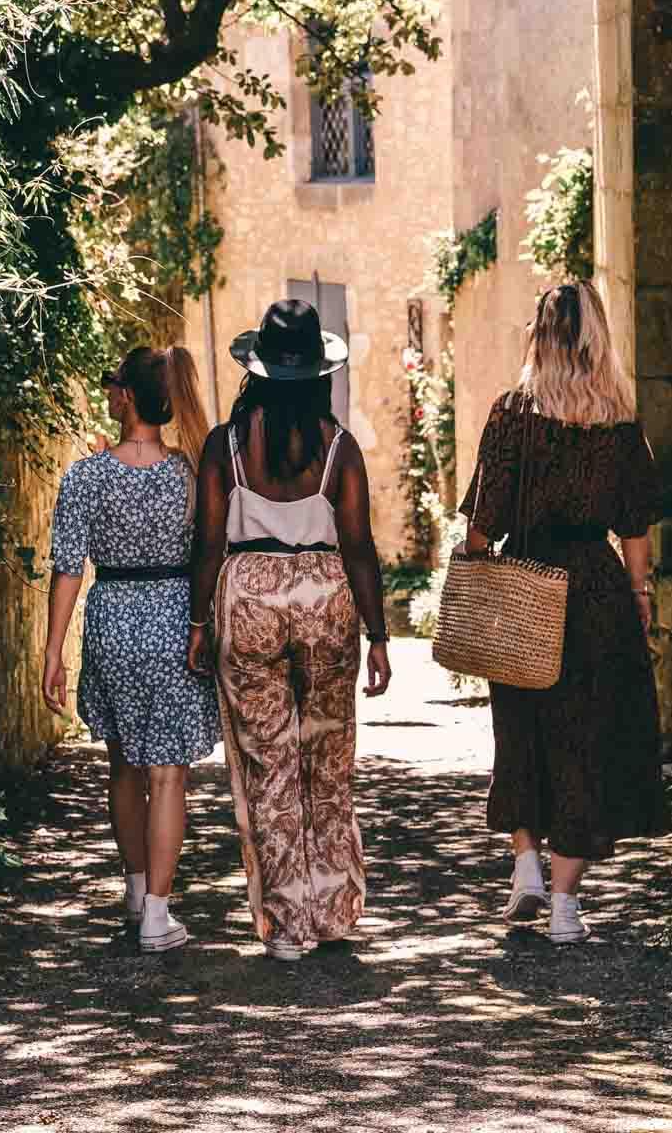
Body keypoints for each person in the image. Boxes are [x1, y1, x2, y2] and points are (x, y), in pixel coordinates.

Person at [459, 279, 666, 944]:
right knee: (585, 743)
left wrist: (480, 570)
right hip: (597, 592)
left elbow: (481, 523)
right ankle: (565, 905)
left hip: (526, 582)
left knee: (520, 728)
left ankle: (525, 861)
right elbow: (635, 527)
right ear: (596, 338)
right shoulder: (620, 421)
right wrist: (639, 596)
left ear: (539, 338)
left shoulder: (512, 413)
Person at [187, 299, 391, 962]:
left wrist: (197, 621)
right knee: (326, 764)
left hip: (249, 599)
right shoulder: (338, 447)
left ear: (259, 370)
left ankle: (288, 923)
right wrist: (379, 635)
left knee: (269, 766)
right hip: (327, 598)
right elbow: (359, 546)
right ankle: (334, 912)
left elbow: (209, 543)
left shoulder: (227, 445)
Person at [43, 346, 216, 953]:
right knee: (168, 776)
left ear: (127, 398)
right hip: (173, 621)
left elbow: (67, 570)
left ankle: (137, 888)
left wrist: (52, 654)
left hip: (113, 618)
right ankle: (157, 917)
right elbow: (209, 557)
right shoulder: (192, 473)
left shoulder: (86, 475)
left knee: (123, 766)